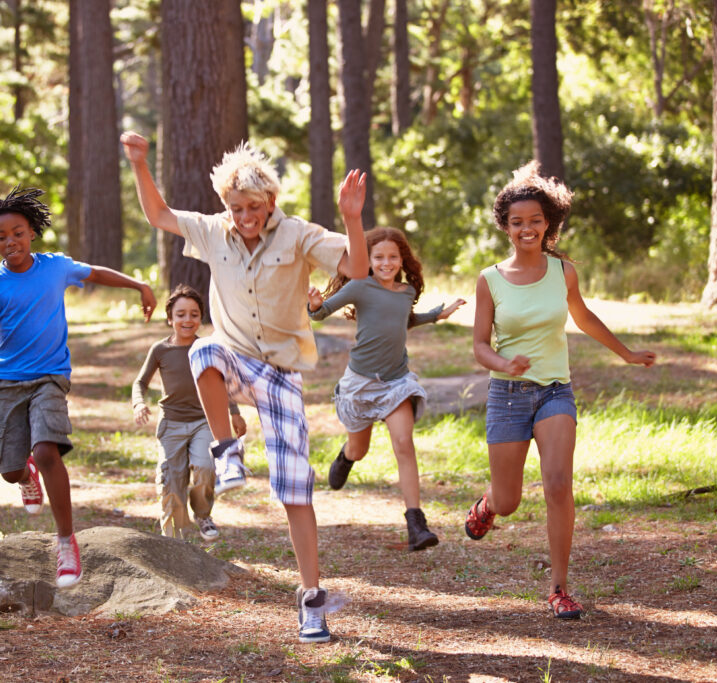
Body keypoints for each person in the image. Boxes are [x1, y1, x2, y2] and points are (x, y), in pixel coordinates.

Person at [121, 131, 368, 643]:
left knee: (296, 492)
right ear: (226, 205)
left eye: (253, 207)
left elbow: (358, 269)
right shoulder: (214, 231)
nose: (245, 217)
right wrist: (140, 163)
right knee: (202, 349)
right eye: (236, 208)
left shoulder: (298, 234)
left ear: (271, 202)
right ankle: (227, 450)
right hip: (232, 359)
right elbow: (160, 216)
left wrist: (351, 218)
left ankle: (312, 602)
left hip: (281, 374)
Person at [468, 162, 655, 619]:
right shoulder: (489, 279)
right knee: (509, 501)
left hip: (555, 391)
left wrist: (626, 354)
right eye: (517, 222)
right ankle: (489, 503)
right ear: (505, 227)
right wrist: (503, 362)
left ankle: (559, 588)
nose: (526, 229)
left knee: (557, 484)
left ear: (547, 222)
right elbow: (478, 345)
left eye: (535, 220)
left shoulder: (563, 271)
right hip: (508, 393)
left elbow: (584, 317)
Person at [0, 186, 157, 589]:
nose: (10, 241)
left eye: (18, 232)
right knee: (10, 469)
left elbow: (96, 273)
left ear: (32, 232)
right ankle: (25, 475)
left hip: (50, 377)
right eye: (1, 236)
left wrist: (139, 285)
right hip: (6, 384)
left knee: (47, 448)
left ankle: (66, 541)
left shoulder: (54, 267)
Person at [306, 227, 464, 551]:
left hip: (396, 381)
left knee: (404, 443)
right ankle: (346, 457)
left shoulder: (405, 292)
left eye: (393, 257)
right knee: (359, 449)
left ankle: (416, 524)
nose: (386, 262)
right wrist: (314, 304)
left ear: (402, 260)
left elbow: (403, 320)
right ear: (368, 260)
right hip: (360, 384)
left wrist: (436, 315)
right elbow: (321, 314)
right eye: (378, 256)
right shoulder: (360, 287)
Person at [132, 284, 248, 541]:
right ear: (170, 318)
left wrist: (234, 412)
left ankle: (203, 513)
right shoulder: (160, 350)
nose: (187, 320)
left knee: (206, 467)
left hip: (203, 422)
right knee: (171, 480)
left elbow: (221, 383)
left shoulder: (207, 348)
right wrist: (139, 403)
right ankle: (175, 539)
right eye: (181, 314)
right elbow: (139, 383)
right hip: (171, 424)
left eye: (194, 314)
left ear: (200, 318)